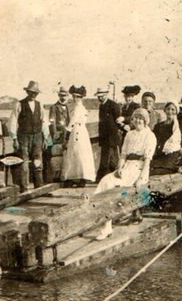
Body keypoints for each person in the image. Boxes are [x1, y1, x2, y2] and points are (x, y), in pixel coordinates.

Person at [94, 108, 157, 240]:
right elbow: (123, 154)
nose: (138, 121)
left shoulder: (149, 135)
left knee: (115, 189)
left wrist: (142, 178)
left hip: (138, 168)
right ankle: (106, 223)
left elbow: (147, 160)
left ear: (145, 121)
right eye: (136, 118)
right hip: (127, 166)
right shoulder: (129, 134)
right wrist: (120, 167)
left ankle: (106, 226)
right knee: (105, 181)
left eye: (141, 118)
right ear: (132, 120)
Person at [9, 80, 47, 192]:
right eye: (31, 92)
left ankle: (38, 187)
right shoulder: (19, 104)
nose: (34, 94)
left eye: (36, 93)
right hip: (23, 137)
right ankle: (24, 188)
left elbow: (44, 122)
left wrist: (45, 137)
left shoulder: (40, 105)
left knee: (37, 162)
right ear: (27, 92)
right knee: (23, 163)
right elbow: (13, 121)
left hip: (37, 136)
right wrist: (14, 138)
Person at [61, 86, 96, 186]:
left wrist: (67, 134)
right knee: (80, 153)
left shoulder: (78, 108)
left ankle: (76, 177)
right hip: (82, 131)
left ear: (81, 98)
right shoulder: (82, 108)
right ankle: (79, 177)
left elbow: (72, 122)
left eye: (78, 97)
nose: (75, 99)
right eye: (74, 97)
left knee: (76, 153)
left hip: (77, 131)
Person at [151, 102, 182, 175]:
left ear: (176, 111)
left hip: (174, 156)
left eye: (173, 109)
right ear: (165, 110)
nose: (170, 112)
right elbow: (152, 141)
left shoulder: (181, 124)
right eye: (168, 109)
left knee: (155, 171)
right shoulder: (158, 126)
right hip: (159, 156)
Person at [95, 86, 122, 182]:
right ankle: (105, 178)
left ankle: (101, 178)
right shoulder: (101, 106)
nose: (100, 98)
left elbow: (118, 121)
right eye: (98, 96)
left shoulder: (113, 105)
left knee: (109, 159)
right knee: (107, 159)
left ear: (106, 95)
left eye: (101, 96)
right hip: (104, 137)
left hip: (112, 137)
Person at [46, 86, 71, 182]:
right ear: (58, 95)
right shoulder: (54, 107)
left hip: (68, 134)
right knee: (57, 155)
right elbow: (51, 122)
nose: (63, 97)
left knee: (67, 154)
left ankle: (66, 175)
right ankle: (57, 175)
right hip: (58, 134)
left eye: (65, 95)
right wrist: (54, 134)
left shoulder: (69, 107)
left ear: (68, 96)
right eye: (61, 95)